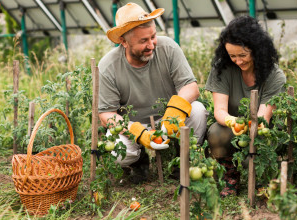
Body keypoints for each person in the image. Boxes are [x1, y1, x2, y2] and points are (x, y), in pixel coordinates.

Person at [98, 3, 208, 184]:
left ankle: (182, 160)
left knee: (197, 110)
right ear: (124, 42)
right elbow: (106, 115)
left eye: (153, 36)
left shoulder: (168, 48)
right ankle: (139, 161)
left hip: (168, 117)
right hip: (133, 124)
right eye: (143, 41)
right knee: (117, 151)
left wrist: (174, 112)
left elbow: (191, 87)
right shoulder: (108, 66)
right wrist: (139, 133)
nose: (151, 45)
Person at [205, 16, 286, 196]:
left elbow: (263, 118)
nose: (238, 61)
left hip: (265, 128)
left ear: (257, 50)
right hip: (233, 128)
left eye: (243, 55)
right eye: (232, 56)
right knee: (217, 132)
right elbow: (219, 111)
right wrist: (234, 121)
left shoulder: (274, 76)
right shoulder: (222, 69)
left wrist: (250, 126)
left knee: (265, 137)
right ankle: (230, 177)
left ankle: (262, 174)